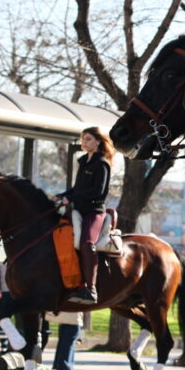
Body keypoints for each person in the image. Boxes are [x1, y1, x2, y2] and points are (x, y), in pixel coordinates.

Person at [56, 127, 114, 305]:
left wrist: (71, 198)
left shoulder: (102, 163)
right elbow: (77, 189)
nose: (84, 142)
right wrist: (62, 195)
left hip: (94, 212)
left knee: (87, 244)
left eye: (88, 139)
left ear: (98, 141)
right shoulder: (84, 162)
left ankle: (91, 289)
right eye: (83, 139)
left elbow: (98, 191)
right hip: (78, 210)